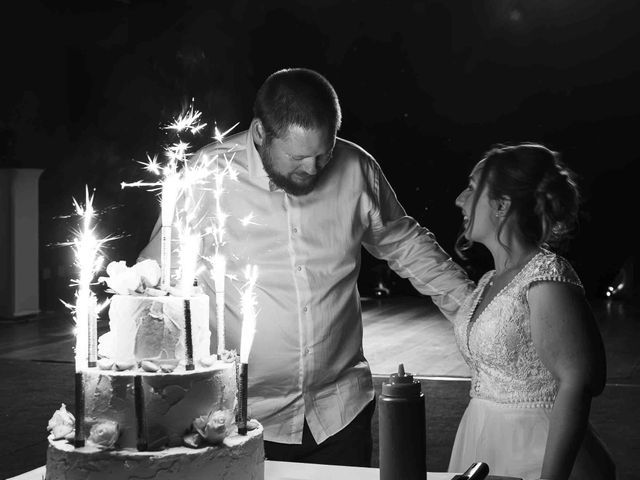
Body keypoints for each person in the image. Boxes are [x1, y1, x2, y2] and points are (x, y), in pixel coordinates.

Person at [138, 67, 473, 467]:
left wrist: (474, 308)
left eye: (324, 153)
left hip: (339, 413)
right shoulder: (208, 174)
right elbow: (155, 274)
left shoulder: (356, 168)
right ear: (260, 133)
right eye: (298, 156)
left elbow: (407, 246)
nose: (314, 169)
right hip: (237, 417)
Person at [448, 142, 616, 480]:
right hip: (481, 437)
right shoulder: (487, 280)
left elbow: (579, 381)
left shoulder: (546, 277)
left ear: (501, 205)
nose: (459, 200)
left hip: (536, 451)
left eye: (470, 188)